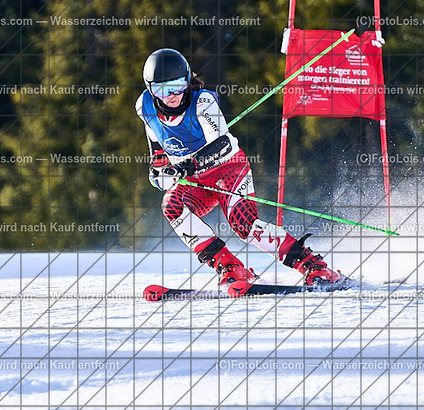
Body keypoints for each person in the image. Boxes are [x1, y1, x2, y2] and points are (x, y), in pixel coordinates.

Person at [136, 48, 343, 297]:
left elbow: (221, 144)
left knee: (244, 224)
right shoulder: (144, 106)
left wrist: (186, 166)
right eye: (163, 90)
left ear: (188, 80)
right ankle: (231, 267)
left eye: (178, 86)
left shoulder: (203, 102)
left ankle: (313, 266)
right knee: (171, 205)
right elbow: (157, 146)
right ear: (151, 90)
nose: (172, 96)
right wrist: (159, 171)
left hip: (228, 169)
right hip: (195, 181)